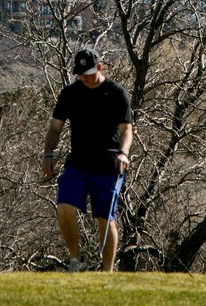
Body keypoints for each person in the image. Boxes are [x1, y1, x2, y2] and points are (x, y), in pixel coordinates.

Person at [42, 48, 134, 272]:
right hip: (78, 164)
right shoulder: (70, 93)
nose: (85, 78)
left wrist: (123, 153)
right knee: (64, 207)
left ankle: (107, 272)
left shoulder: (116, 93)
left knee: (105, 218)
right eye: (81, 74)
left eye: (89, 73)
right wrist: (48, 153)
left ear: (100, 68)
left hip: (107, 166)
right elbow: (55, 128)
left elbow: (127, 130)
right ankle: (76, 261)